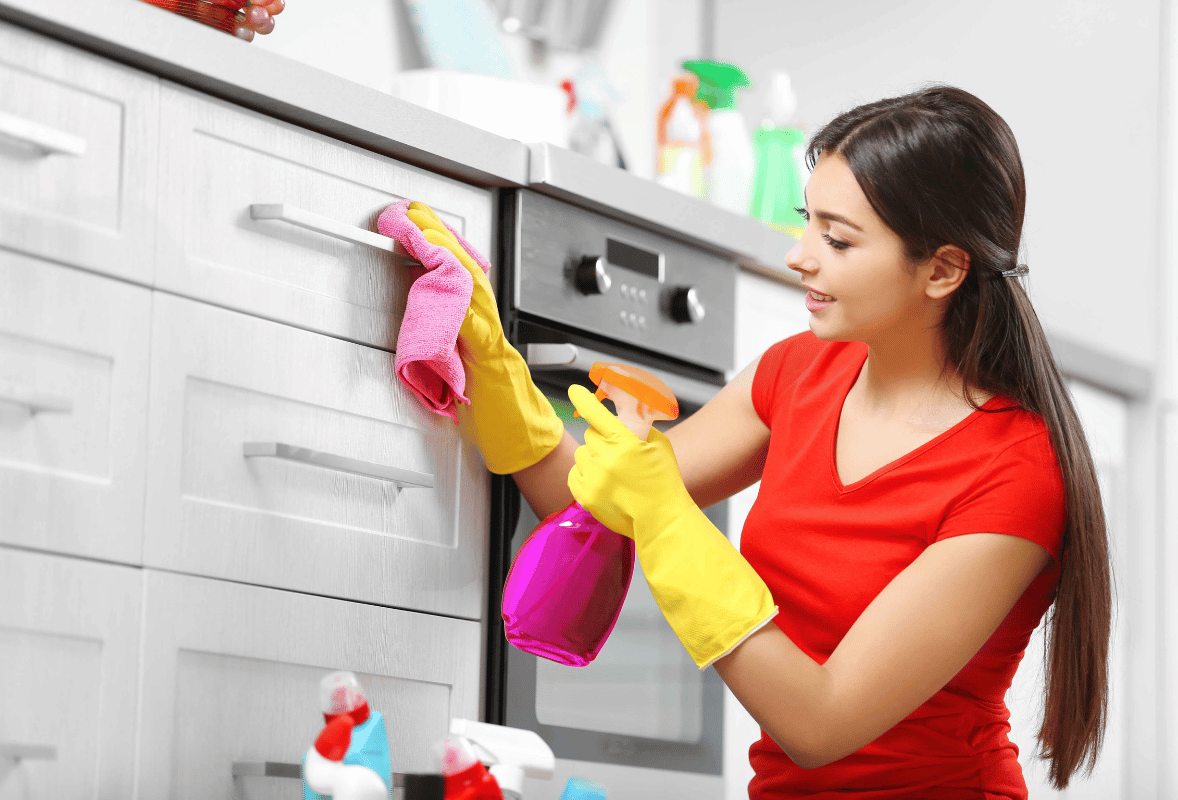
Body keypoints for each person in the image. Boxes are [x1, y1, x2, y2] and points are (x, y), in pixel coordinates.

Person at [408, 84, 1111, 799]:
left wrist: (668, 521)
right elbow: (588, 501)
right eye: (810, 223)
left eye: (837, 240)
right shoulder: (799, 374)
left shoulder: (1015, 473)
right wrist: (491, 363)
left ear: (942, 270)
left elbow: (821, 722)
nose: (799, 256)